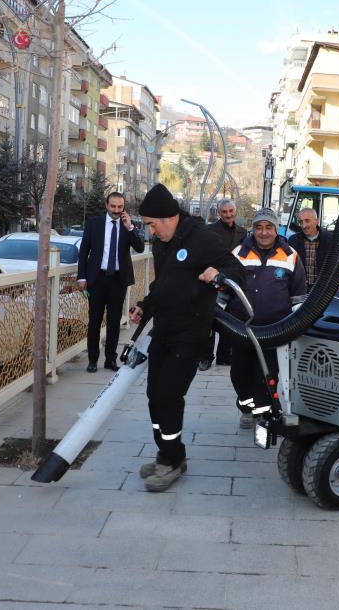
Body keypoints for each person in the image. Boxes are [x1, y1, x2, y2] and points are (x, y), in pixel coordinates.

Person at [129, 184, 245, 492]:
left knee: (169, 394)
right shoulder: (164, 243)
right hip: (164, 330)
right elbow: (164, 285)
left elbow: (237, 270)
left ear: (169, 218)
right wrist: (145, 306)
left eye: (152, 224)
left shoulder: (203, 239)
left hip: (192, 332)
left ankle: (171, 461)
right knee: (154, 394)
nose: (151, 232)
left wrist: (219, 276)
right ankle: (168, 454)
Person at [229, 208, 307, 428]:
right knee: (240, 372)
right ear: (253, 229)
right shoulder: (239, 253)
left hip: (275, 328)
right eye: (259, 227)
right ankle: (246, 406)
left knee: (267, 373)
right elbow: (225, 289)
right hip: (242, 327)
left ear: (276, 229)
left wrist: (297, 324)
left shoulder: (290, 255)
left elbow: (298, 294)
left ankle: (262, 413)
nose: (263, 233)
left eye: (268, 227)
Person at [77, 192, 145, 373]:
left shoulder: (127, 225)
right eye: (113, 206)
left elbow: (140, 248)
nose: (116, 210)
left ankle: (110, 359)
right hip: (96, 279)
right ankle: (92, 360)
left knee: (114, 322)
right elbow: (84, 251)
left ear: (123, 207)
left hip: (118, 280)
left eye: (120, 207)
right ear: (107, 205)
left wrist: (130, 227)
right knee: (94, 321)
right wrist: (81, 277)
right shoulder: (94, 223)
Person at [200, 198, 247, 370]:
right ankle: (206, 357)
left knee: (231, 319)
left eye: (230, 211)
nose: (228, 214)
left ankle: (224, 356)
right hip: (214, 280)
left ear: (235, 211)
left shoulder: (243, 232)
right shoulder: (209, 230)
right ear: (219, 213)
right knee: (209, 320)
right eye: (224, 211)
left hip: (234, 281)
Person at [288, 208, 334, 292]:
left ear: (317, 221)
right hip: (300, 290)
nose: (303, 225)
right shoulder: (293, 240)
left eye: (307, 221)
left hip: (323, 291)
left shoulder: (330, 240)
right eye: (301, 222)